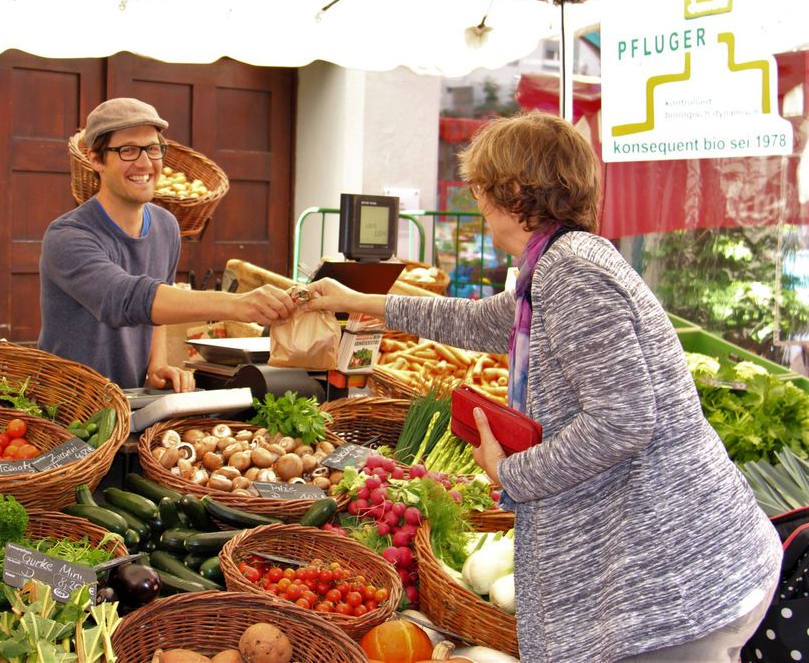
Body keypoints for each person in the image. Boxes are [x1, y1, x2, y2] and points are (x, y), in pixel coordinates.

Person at [306, 112, 780, 662]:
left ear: (512, 191)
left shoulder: (572, 272)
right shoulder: (558, 263)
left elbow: (623, 420)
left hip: (671, 582)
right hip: (670, 570)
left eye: (481, 190)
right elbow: (483, 321)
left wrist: (511, 471)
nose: (478, 205)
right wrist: (358, 300)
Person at [38, 97, 294, 391]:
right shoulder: (67, 236)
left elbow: (157, 308)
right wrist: (237, 305)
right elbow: (126, 300)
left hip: (131, 398)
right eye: (128, 151)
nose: (145, 163)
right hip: (68, 405)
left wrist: (156, 366)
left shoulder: (165, 226)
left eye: (152, 148)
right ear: (96, 160)